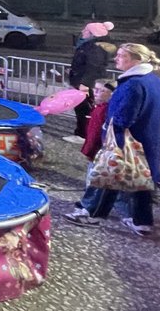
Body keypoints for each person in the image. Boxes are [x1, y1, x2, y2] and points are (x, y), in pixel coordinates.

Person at [87, 43, 160, 236]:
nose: (116, 58)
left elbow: (123, 118)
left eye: (122, 56)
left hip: (127, 140)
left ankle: (91, 214)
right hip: (149, 139)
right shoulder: (156, 81)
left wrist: (108, 130)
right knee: (141, 180)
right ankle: (142, 221)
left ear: (136, 60)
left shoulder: (133, 84)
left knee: (110, 176)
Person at [65, 80, 116, 226]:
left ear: (111, 95)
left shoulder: (103, 110)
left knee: (94, 181)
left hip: (98, 152)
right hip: (96, 151)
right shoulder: (98, 108)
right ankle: (88, 204)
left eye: (101, 91)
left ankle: (88, 207)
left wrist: (89, 150)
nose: (96, 93)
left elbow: (95, 135)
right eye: (95, 89)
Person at [67, 21, 116, 141]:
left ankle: (83, 135)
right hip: (87, 82)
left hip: (87, 83)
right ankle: (84, 134)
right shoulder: (92, 45)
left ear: (93, 34)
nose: (83, 32)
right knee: (83, 108)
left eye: (86, 30)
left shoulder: (94, 48)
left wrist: (84, 83)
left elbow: (93, 67)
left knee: (84, 109)